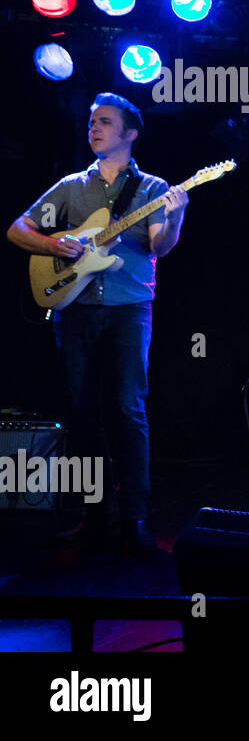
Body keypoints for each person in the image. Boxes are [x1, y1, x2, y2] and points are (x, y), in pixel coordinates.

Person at [7, 92, 189, 556]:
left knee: (129, 411)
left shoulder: (152, 188)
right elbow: (17, 229)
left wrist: (177, 213)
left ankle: (135, 519)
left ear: (130, 133)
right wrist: (56, 247)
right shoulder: (72, 187)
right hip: (76, 308)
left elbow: (159, 247)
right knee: (82, 412)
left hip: (130, 308)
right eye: (92, 122)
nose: (94, 129)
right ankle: (92, 516)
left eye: (105, 122)